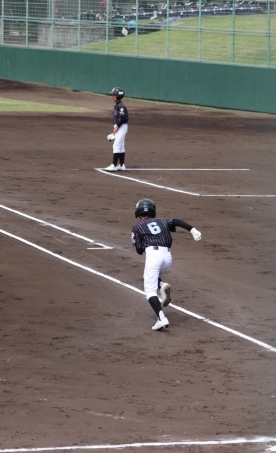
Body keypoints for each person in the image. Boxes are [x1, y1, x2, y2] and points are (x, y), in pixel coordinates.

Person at [131, 199, 202, 331]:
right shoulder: (162, 221)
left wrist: (144, 241)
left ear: (139, 213)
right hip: (167, 257)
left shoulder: (137, 227)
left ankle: (161, 318)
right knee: (150, 276)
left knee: (150, 290)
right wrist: (192, 230)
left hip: (154, 256)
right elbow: (176, 221)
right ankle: (162, 285)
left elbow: (139, 250)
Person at [104, 87, 128, 171]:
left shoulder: (121, 106)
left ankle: (113, 165)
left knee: (116, 146)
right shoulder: (117, 106)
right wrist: (116, 127)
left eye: (114, 95)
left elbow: (123, 118)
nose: (112, 97)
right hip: (120, 127)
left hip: (121, 127)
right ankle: (121, 165)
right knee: (120, 146)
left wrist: (117, 127)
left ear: (118, 96)